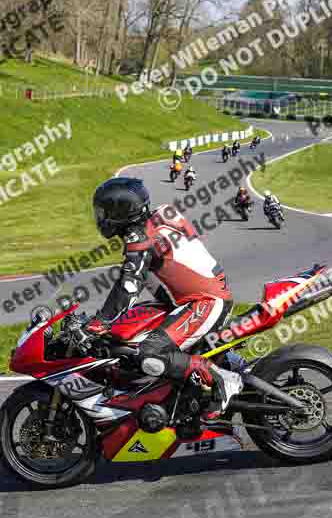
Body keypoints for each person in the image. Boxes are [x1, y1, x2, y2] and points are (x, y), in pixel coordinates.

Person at [76, 178, 243, 418]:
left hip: (204, 303)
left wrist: (99, 323)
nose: (100, 217)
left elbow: (129, 285)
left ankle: (222, 379)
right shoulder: (160, 216)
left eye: (103, 211)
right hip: (197, 298)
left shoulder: (139, 237)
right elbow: (150, 276)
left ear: (121, 211)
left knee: (148, 352)